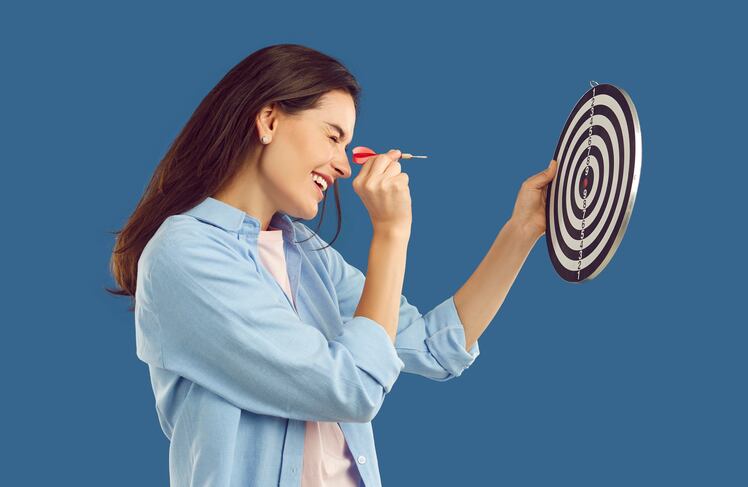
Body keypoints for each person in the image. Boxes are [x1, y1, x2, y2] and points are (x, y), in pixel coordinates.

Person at [107, 43, 557, 487]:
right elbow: (350, 387)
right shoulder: (184, 253)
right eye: (333, 136)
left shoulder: (307, 253)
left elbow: (432, 347)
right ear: (269, 120)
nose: (344, 165)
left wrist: (521, 231)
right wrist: (391, 233)